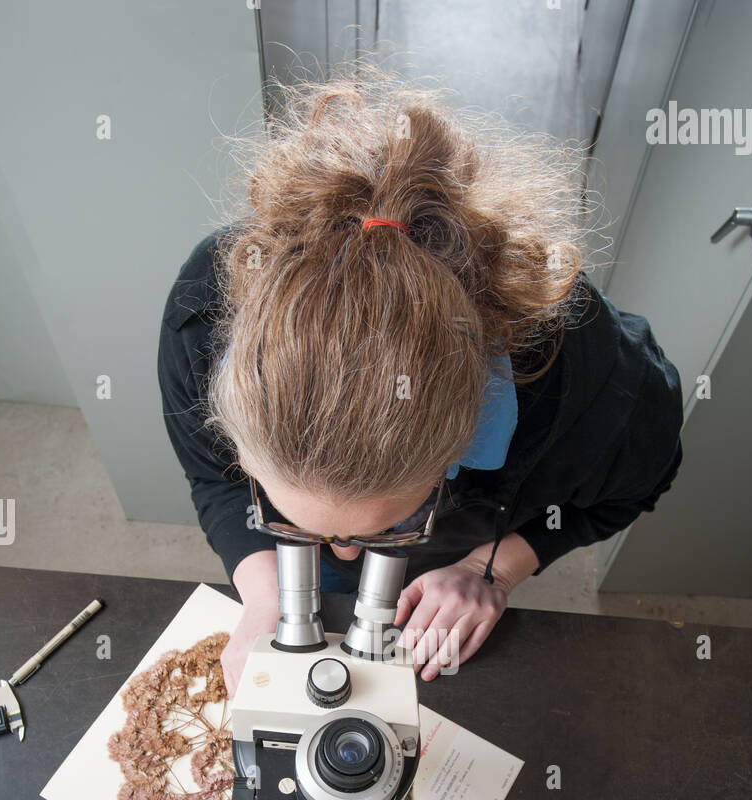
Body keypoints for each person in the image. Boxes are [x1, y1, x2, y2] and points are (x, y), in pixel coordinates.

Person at [157, 67, 683, 697]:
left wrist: (491, 570)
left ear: (465, 433)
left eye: (385, 531)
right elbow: (212, 477)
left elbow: (627, 496)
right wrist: (267, 599)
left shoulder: (609, 396)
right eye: (299, 522)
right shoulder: (205, 313)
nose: (341, 561)